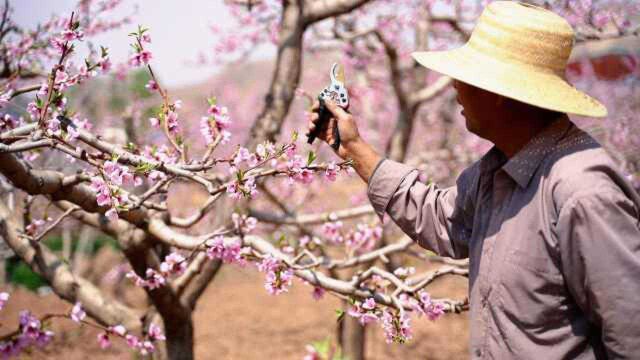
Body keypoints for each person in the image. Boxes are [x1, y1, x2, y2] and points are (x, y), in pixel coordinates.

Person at [306, 2, 640, 359]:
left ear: (497, 92)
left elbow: (631, 333)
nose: (454, 88)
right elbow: (443, 219)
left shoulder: (582, 192)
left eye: (465, 77)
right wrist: (354, 148)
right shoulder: (498, 170)